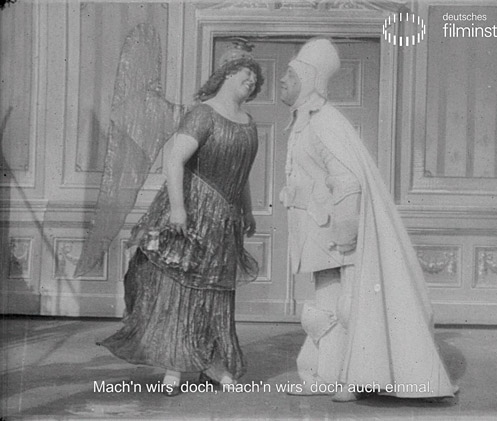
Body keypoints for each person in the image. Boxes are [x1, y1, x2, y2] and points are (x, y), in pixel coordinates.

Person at [279, 38, 458, 402]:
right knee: (329, 304)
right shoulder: (304, 121)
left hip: (334, 231)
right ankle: (328, 375)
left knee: (345, 307)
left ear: (309, 79)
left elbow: (347, 179)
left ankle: (348, 378)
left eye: (291, 75)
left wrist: (346, 230)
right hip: (317, 230)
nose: (282, 80)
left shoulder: (324, 121)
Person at [100, 40, 264, 396]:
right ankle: (174, 368)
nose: (251, 79)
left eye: (255, 76)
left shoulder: (248, 123)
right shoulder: (203, 114)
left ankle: (211, 364)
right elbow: (174, 160)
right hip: (192, 215)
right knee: (182, 289)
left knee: (215, 294)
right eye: (245, 72)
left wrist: (248, 209)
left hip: (224, 221)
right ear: (226, 74)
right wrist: (178, 209)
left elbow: (242, 174)